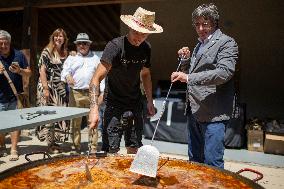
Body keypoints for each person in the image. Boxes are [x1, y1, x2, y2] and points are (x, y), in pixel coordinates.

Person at [171, 3, 238, 168]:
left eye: (205, 24)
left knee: (212, 164)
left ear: (214, 23)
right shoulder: (199, 45)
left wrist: (188, 77)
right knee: (194, 162)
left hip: (214, 114)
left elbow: (224, 73)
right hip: (194, 111)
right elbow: (196, 72)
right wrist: (185, 61)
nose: (201, 28)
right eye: (197, 24)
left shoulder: (227, 43)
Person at [88, 7, 162, 154]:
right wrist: (94, 109)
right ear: (129, 27)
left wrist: (149, 101)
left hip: (135, 103)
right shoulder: (115, 47)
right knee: (111, 150)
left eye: (144, 34)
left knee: (134, 146)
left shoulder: (146, 48)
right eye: (136, 32)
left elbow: (146, 74)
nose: (139, 38)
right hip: (113, 103)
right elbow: (96, 79)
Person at [61, 33, 104, 154]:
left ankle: (93, 147)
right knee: (75, 122)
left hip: (92, 94)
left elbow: (103, 76)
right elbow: (64, 71)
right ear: (76, 45)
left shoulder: (96, 59)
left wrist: (102, 93)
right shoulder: (71, 58)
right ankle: (75, 147)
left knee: (93, 121)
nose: (82, 45)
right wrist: (67, 76)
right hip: (75, 93)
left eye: (84, 43)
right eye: (79, 43)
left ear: (89, 44)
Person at [36, 28, 69, 154]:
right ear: (53, 38)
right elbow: (42, 71)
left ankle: (54, 142)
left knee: (58, 117)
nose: (58, 38)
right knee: (49, 116)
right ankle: (50, 144)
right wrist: (45, 88)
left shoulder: (65, 52)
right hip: (48, 86)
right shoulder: (47, 51)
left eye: (61, 36)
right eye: (56, 36)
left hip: (60, 89)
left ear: (64, 39)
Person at [0, 30, 31, 161]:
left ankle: (13, 148)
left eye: (5, 43)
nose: (3, 46)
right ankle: (2, 146)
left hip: (15, 96)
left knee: (15, 123)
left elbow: (29, 73)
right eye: (0, 43)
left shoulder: (19, 55)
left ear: (10, 43)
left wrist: (20, 71)